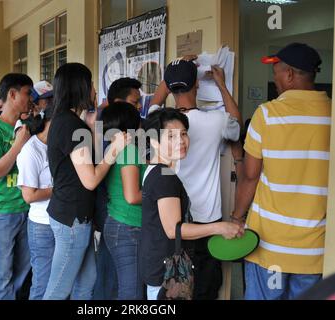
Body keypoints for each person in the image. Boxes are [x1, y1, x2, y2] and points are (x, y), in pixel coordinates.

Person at [232, 43, 331, 300]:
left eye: (275, 71)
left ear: (289, 75)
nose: (274, 78)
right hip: (315, 249)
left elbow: (251, 176)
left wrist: (236, 217)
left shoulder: (267, 114)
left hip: (269, 246)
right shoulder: (331, 113)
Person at [150, 59, 242, 299]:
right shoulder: (217, 121)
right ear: (197, 84)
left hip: (173, 222)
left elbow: (154, 102)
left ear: (169, 87)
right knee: (205, 288)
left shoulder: (157, 123)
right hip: (206, 221)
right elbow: (237, 125)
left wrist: (172, 72)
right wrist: (222, 85)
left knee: (177, 290)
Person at [43, 62, 129, 300]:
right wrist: (115, 149)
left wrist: (90, 128)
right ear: (80, 87)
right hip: (72, 218)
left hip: (71, 213)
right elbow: (90, 180)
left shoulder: (65, 121)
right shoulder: (70, 125)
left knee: (87, 280)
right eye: (90, 84)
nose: (94, 89)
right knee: (58, 289)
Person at [0, 73, 33, 300]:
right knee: (2, 277)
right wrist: (18, 145)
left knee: (21, 273)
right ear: (12, 95)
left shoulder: (26, 128)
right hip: (0, 212)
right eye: (27, 93)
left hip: (26, 209)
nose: (31, 98)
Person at [93, 78, 144, 300]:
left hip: (117, 222)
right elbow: (133, 196)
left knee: (124, 287)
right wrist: (161, 195)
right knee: (130, 293)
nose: (141, 108)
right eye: (136, 105)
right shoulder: (130, 151)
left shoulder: (114, 148)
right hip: (129, 227)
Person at [17, 104, 54, 300]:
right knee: (43, 281)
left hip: (59, 222)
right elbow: (29, 195)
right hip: (42, 225)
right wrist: (60, 190)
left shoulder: (57, 145)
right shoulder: (31, 150)